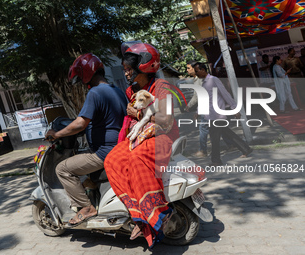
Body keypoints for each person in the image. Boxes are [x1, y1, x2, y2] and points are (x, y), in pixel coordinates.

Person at [104, 42, 179, 249]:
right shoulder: (131, 90)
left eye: (129, 69)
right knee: (112, 160)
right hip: (139, 136)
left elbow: (165, 121)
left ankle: (155, 214)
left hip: (161, 136)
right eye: (125, 68)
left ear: (143, 67)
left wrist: (135, 113)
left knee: (137, 159)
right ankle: (138, 214)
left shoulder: (162, 87)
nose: (126, 72)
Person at [45, 53, 127, 227]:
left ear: (86, 73)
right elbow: (106, 121)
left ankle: (86, 207)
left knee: (62, 169)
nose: (82, 83)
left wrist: (57, 134)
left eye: (81, 78)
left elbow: (80, 123)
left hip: (105, 152)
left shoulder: (95, 92)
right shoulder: (116, 91)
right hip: (120, 148)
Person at [193, 62, 252, 166]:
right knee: (227, 133)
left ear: (203, 70)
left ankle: (216, 160)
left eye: (197, 71)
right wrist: (198, 111)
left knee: (214, 138)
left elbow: (225, 94)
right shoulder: (204, 83)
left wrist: (234, 108)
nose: (196, 73)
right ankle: (246, 149)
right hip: (210, 115)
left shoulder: (213, 80)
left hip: (217, 114)